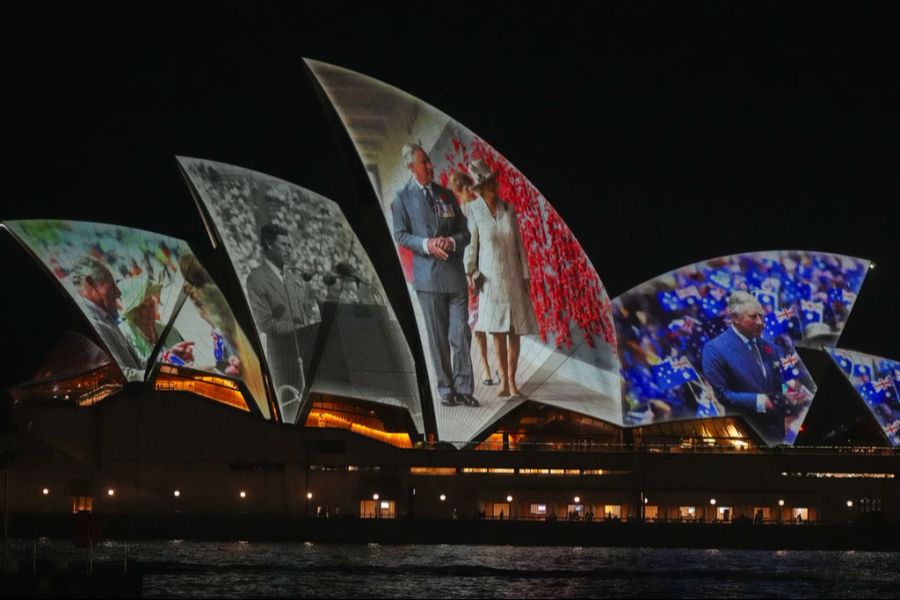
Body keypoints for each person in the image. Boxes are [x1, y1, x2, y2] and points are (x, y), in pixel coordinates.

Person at [392, 143, 478, 407]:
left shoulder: (446, 195)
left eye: (429, 161)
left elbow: (465, 233)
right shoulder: (402, 198)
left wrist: (451, 242)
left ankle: (464, 388)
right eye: (423, 163)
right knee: (438, 337)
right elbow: (400, 234)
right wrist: (428, 244)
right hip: (427, 279)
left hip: (454, 277)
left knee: (460, 334)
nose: (430, 166)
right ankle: (445, 389)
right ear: (410, 167)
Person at [463, 159, 539, 398]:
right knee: (497, 332)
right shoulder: (473, 210)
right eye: (487, 183)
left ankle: (514, 381)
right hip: (491, 281)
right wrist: (470, 271)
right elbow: (471, 245)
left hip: (514, 277)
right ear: (480, 187)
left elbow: (519, 246)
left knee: (515, 332)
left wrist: (526, 275)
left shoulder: (509, 209)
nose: (494, 185)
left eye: (493, 180)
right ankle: (503, 381)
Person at [246, 223, 322, 422]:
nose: (289, 249)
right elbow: (264, 322)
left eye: (290, 245)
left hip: (305, 351)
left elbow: (304, 314)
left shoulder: (294, 278)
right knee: (289, 412)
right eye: (284, 244)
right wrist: (297, 329)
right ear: (270, 245)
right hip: (282, 354)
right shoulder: (257, 278)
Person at [701, 291, 796, 443]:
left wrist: (786, 410)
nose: (760, 322)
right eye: (753, 317)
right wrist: (760, 401)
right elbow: (722, 394)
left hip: (776, 433)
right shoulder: (714, 349)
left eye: (762, 316)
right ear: (735, 318)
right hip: (744, 434)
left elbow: (777, 386)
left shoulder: (769, 347)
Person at [447, 170, 494, 387]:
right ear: (458, 193)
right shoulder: (459, 216)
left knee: (495, 322)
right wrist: (467, 270)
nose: (468, 191)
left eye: (468, 186)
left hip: (489, 270)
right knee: (477, 325)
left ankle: (499, 366)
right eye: (463, 189)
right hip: (470, 275)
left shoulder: (483, 208)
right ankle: (485, 368)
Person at [69, 257, 142, 373]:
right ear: (91, 282)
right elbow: (122, 374)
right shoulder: (92, 323)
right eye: (112, 285)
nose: (119, 292)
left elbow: (135, 364)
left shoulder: (105, 317)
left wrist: (164, 360)